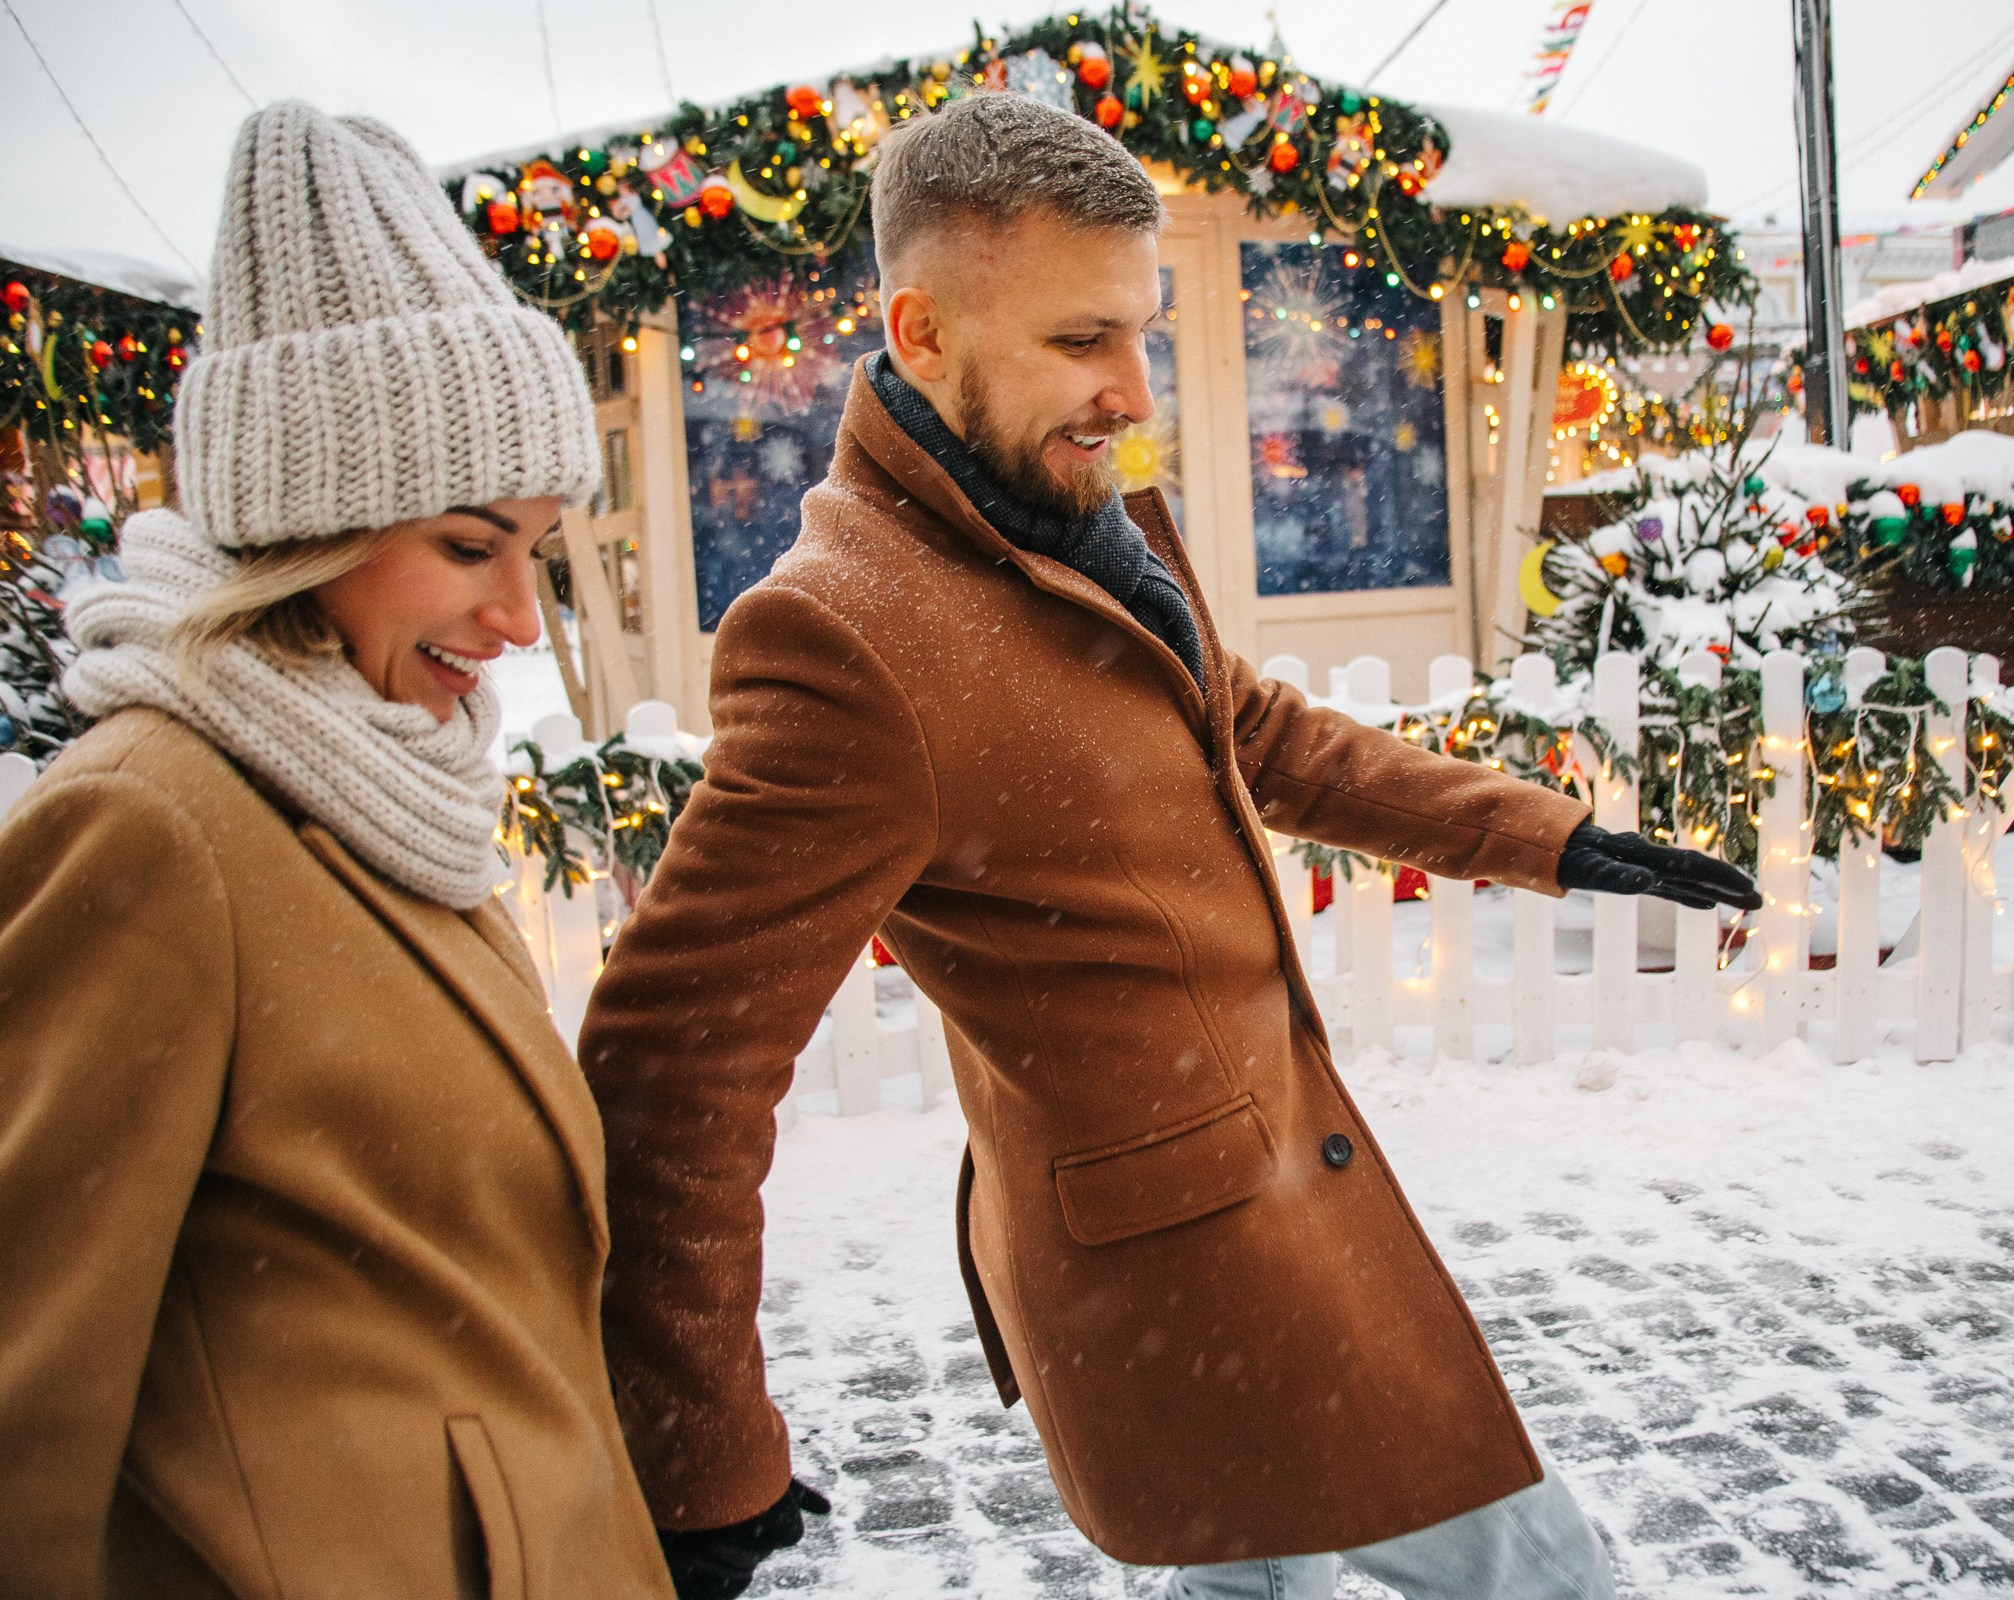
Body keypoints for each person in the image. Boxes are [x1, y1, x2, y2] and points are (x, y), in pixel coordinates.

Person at [578, 92, 1756, 1600]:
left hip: (1260, 1221)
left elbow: (1252, 731)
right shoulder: (842, 636)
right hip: (1188, 1270)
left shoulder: (1077, 514)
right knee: (1547, 1576)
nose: (1133, 393)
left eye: (1139, 332)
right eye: (1082, 340)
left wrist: (1552, 841)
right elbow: (675, 1069)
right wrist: (695, 1462)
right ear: (921, 330)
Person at [0, 102, 677, 1598]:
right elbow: (22, 1401)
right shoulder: (152, 824)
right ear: (313, 520)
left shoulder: (388, 786)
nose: (516, 619)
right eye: (466, 544)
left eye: (539, 553)